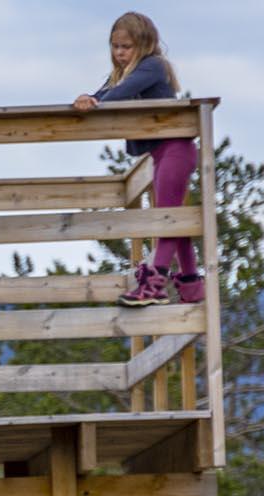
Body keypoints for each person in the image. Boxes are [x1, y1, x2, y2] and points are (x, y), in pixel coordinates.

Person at [73, 12, 205, 308]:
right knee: (173, 216)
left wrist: (97, 101)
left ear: (145, 45)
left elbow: (118, 95)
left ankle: (155, 283)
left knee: (167, 219)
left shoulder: (153, 66)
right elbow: (104, 94)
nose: (119, 53)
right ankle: (191, 285)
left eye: (126, 47)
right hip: (161, 153)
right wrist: (87, 99)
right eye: (115, 46)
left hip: (176, 148)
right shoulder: (124, 74)